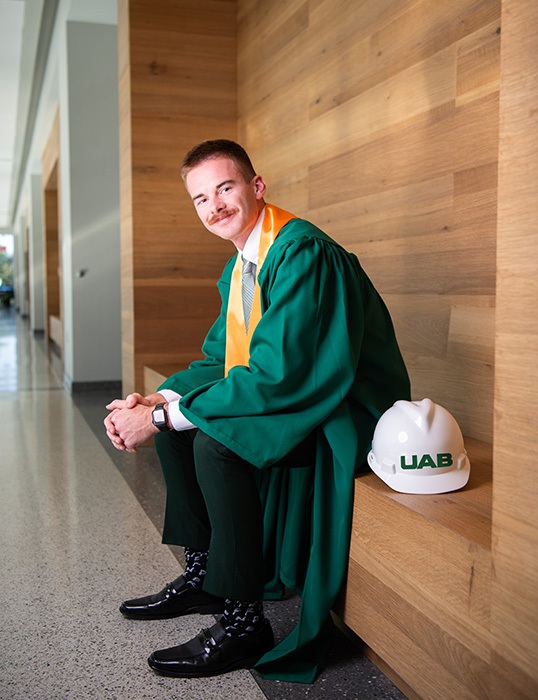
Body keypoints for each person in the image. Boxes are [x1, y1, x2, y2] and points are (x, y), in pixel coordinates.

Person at [104, 139, 410, 683]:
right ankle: (204, 573)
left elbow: (281, 373)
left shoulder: (301, 252)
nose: (214, 206)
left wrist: (155, 420)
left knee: (214, 441)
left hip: (340, 407)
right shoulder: (244, 262)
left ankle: (245, 622)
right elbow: (222, 359)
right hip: (293, 390)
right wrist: (160, 400)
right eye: (201, 199)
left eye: (225, 188)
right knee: (183, 427)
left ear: (256, 187)